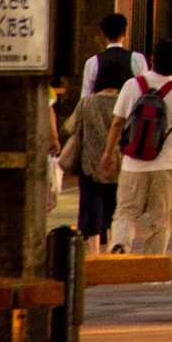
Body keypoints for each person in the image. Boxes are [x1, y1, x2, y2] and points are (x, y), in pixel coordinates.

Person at [104, 39, 172, 254]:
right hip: (164, 166)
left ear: (152, 59)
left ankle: (120, 244)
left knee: (126, 212)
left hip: (132, 165)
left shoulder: (132, 85)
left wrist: (108, 152)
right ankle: (153, 268)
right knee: (161, 220)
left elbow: (118, 122)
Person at [60, 49, 132, 251]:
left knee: (91, 208)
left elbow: (69, 126)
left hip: (89, 164)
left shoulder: (87, 102)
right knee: (115, 208)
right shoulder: (123, 103)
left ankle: (94, 252)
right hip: (118, 164)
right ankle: (112, 245)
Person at [81, 13, 150, 96]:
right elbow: (143, 92)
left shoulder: (92, 62)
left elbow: (86, 96)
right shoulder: (138, 59)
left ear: (103, 34)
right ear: (124, 32)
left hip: (100, 107)